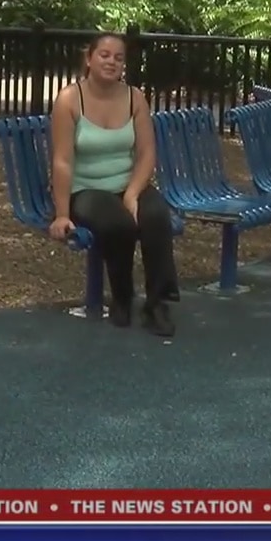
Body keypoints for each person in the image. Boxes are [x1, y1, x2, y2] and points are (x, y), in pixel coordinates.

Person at [49, 32, 180, 337]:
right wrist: (62, 214)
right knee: (118, 224)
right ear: (89, 59)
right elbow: (62, 160)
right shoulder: (69, 99)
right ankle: (122, 297)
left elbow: (147, 153)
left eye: (119, 58)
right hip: (86, 189)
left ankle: (158, 303)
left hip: (126, 183)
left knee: (156, 216)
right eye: (104, 55)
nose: (112, 62)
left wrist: (132, 193)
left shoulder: (135, 98)